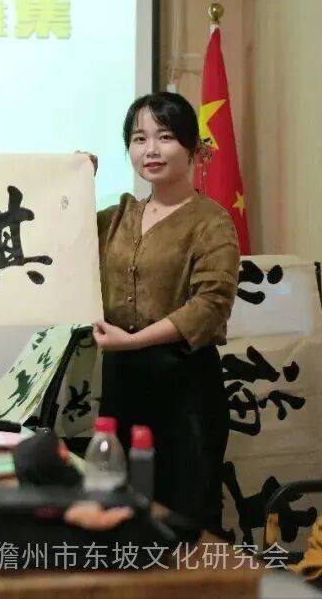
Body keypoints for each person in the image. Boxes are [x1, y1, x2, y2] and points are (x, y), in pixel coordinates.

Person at [87, 91, 239, 532]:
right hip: (121, 383)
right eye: (139, 139)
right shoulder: (116, 217)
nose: (150, 149)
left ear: (193, 148)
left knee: (185, 519)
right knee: (120, 512)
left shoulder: (212, 221)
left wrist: (135, 341)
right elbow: (57, 241)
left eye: (165, 136)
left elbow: (211, 305)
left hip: (184, 387)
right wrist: (74, 184)